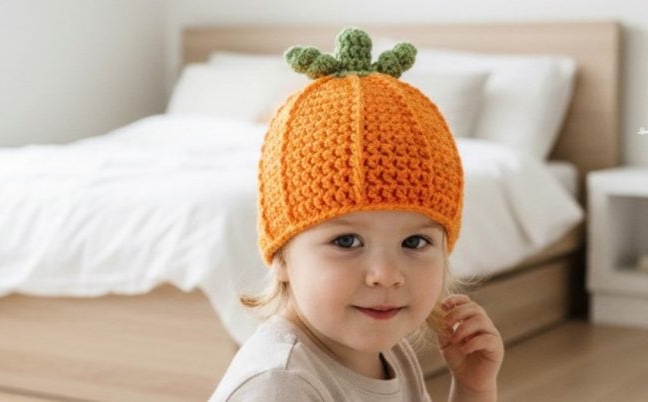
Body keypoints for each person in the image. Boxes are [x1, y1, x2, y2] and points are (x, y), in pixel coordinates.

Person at [210, 27, 504, 402]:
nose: (386, 275)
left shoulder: (389, 351)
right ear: (282, 256)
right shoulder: (279, 387)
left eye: (414, 241)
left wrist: (472, 388)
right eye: (346, 241)